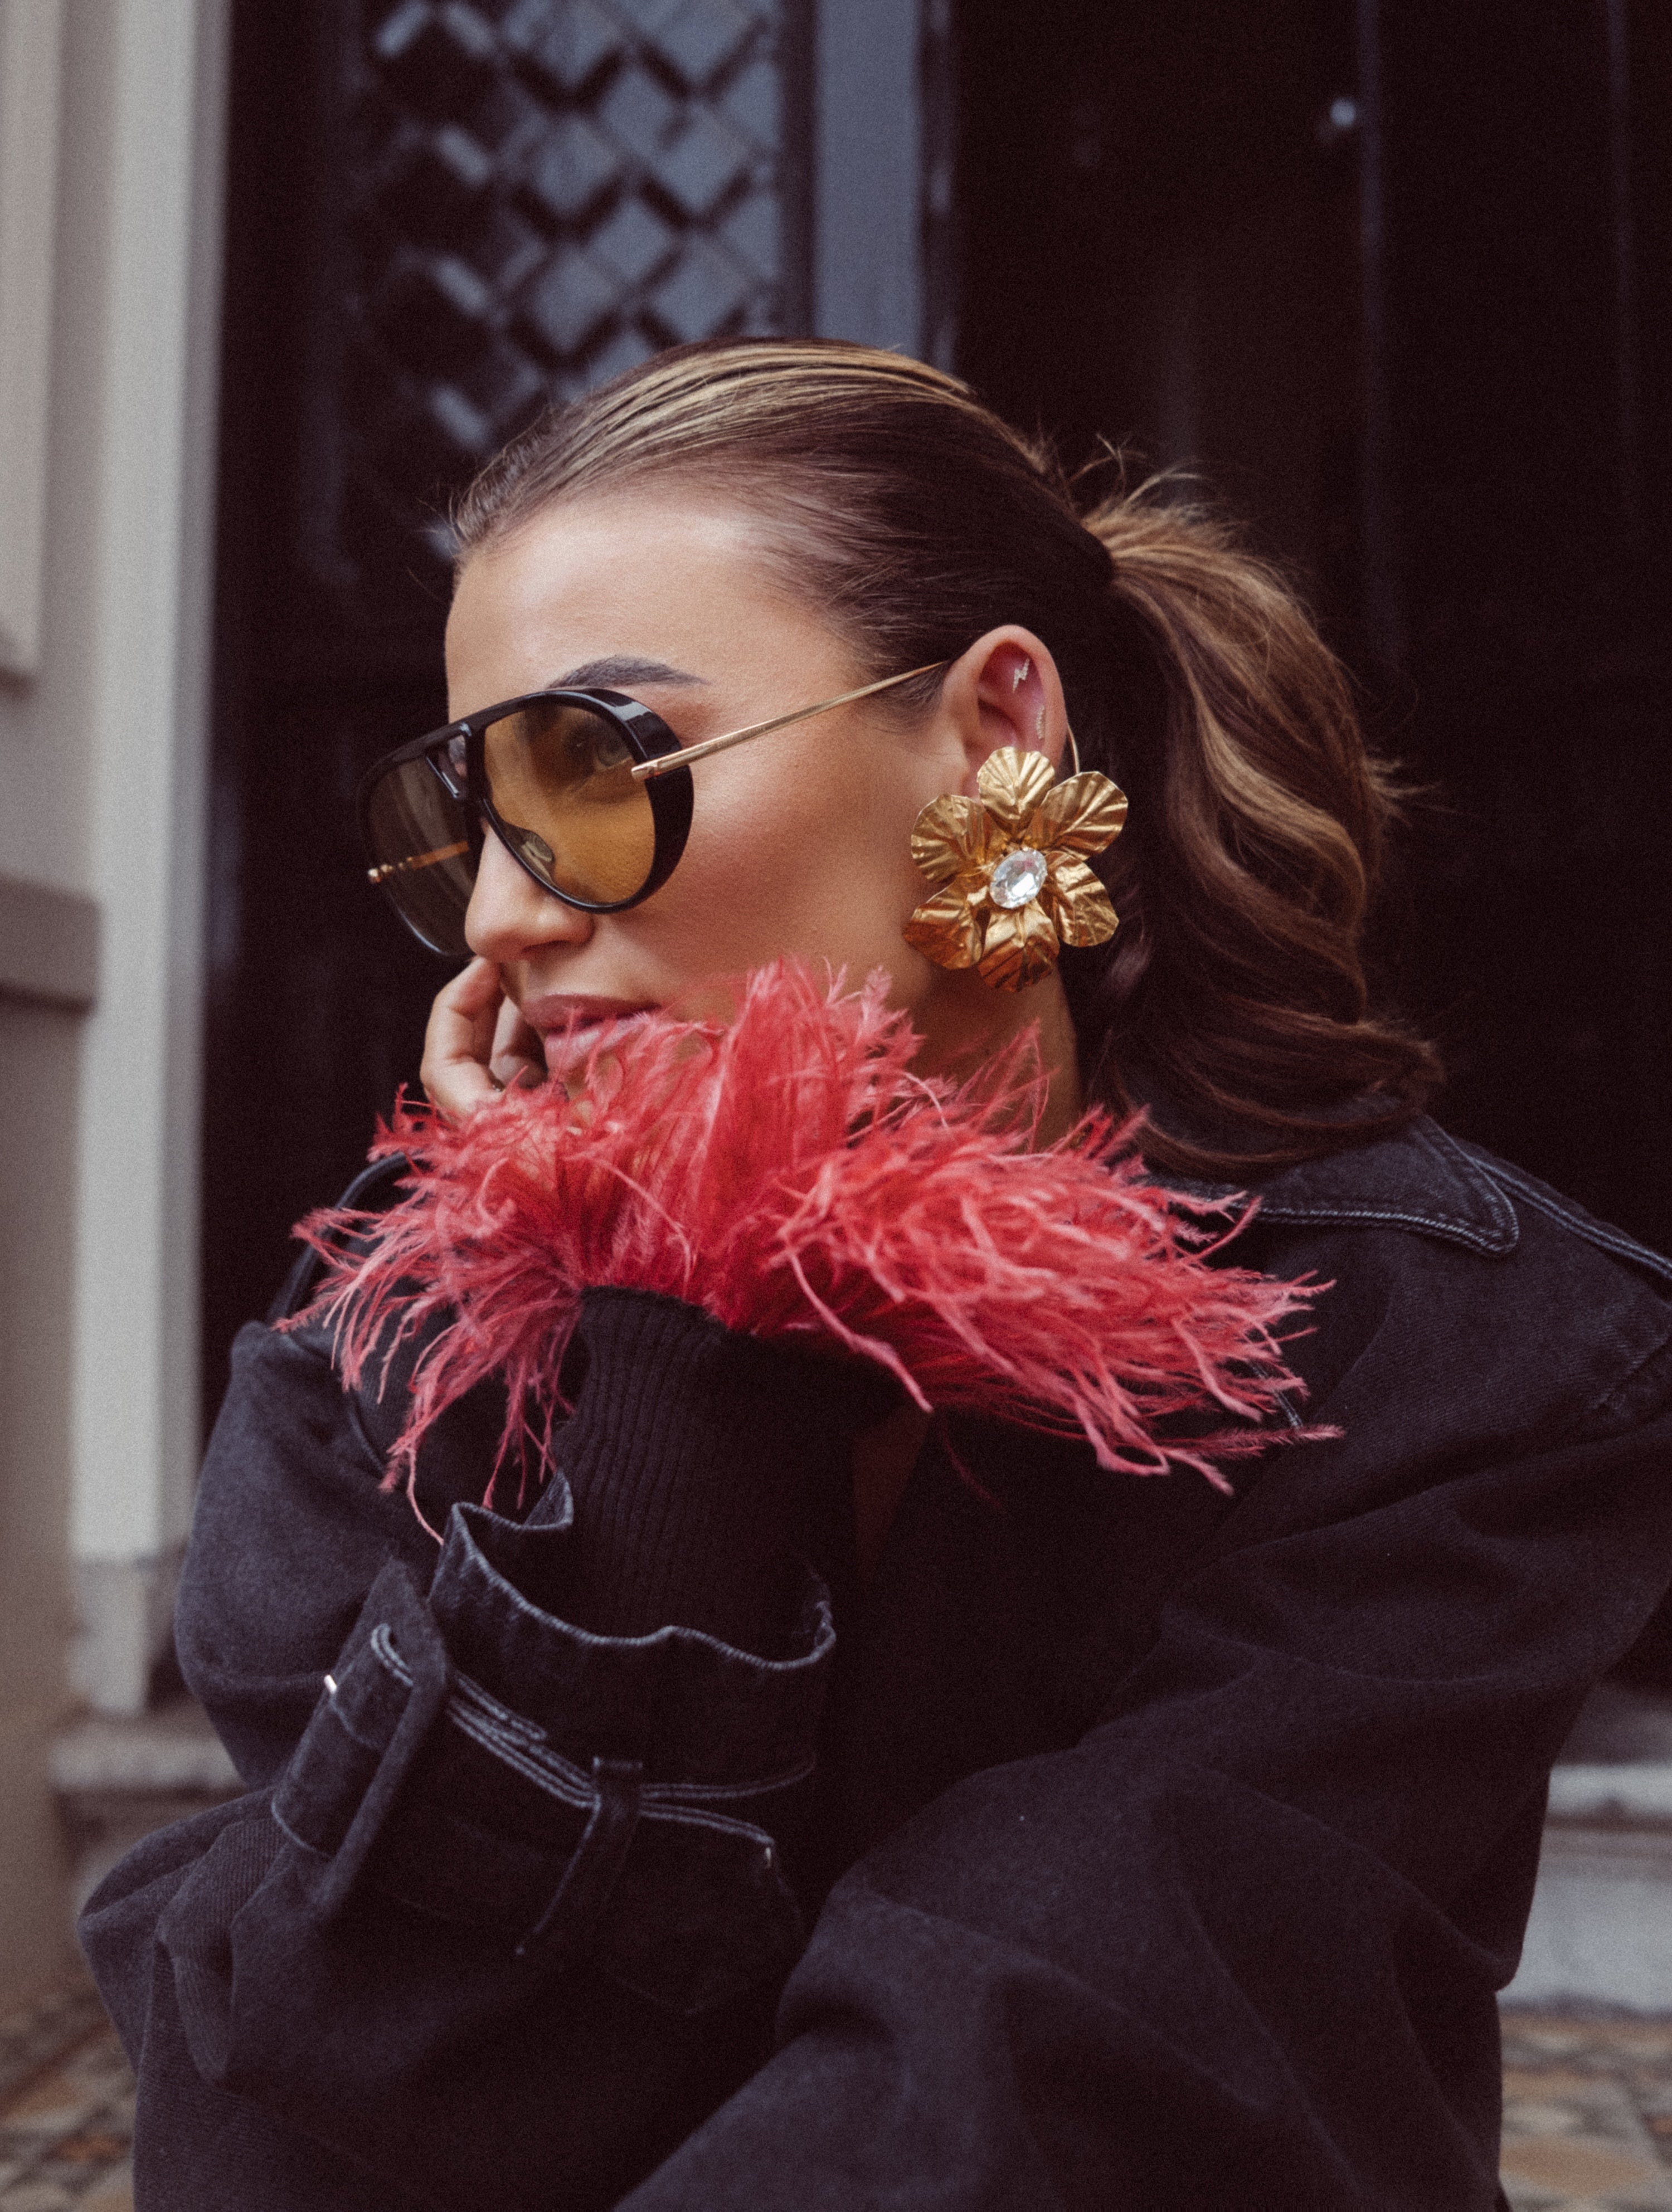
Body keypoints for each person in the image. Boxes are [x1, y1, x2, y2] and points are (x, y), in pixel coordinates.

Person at [85, 340, 1672, 2210]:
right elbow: (327, 2093)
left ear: (998, 738)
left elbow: (1050, 2066)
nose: (505, 916)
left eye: (596, 768)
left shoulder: (1447, 1352)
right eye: (471, 829)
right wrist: (674, 1306)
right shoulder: (390, 1352)